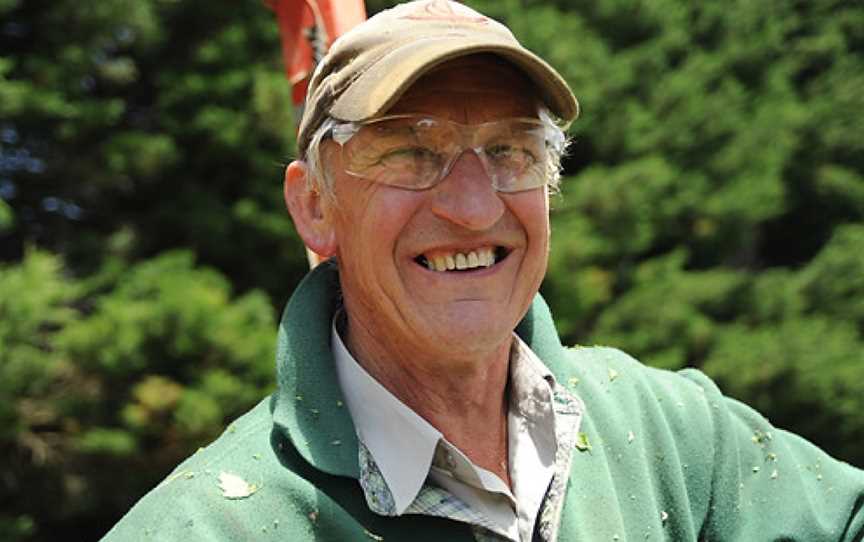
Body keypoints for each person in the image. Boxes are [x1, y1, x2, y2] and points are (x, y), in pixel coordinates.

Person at [102, 1, 864, 540]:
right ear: (314, 208)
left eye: (509, 150)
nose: (471, 206)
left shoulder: (668, 435)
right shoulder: (213, 524)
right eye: (409, 149)